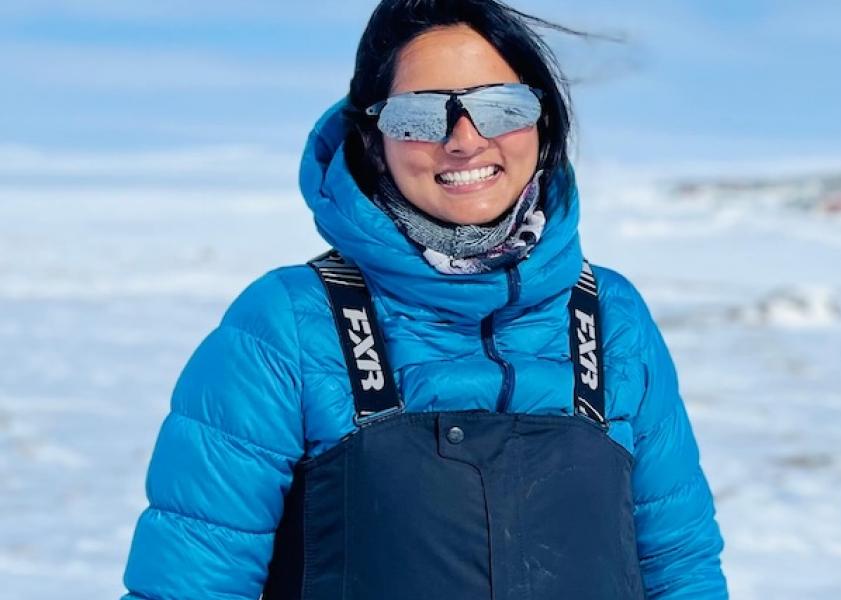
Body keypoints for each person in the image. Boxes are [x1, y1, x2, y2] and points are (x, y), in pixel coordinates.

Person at [122, 1, 728, 598]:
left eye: (500, 107)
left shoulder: (610, 317)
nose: (464, 140)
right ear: (372, 135)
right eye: (419, 116)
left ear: (541, 122)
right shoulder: (288, 325)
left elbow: (681, 568)